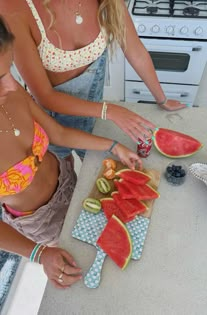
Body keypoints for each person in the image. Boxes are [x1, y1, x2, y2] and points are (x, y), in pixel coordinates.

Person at [0, 16, 143, 288]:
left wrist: (113, 146)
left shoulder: (10, 90)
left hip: (69, 179)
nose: (11, 84)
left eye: (9, 70)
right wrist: (39, 253)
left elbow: (59, 134)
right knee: (90, 269)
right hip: (41, 221)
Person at [0, 0, 187, 162]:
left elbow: (135, 50)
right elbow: (45, 96)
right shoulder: (13, 7)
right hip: (53, 122)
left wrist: (161, 99)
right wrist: (110, 111)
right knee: (66, 173)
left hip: (95, 115)